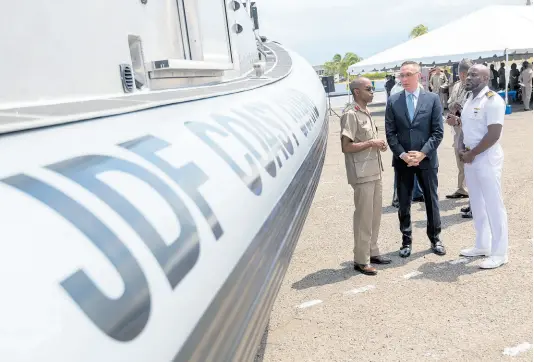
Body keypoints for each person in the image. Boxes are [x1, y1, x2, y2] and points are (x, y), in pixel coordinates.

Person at [385, 61, 446, 258]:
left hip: (426, 160)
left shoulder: (432, 99)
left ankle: (435, 238)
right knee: (404, 202)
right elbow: (390, 133)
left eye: (407, 75)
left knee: (431, 200)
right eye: (401, 75)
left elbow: (437, 132)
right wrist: (403, 154)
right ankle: (406, 240)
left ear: (418, 75)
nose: (403, 79)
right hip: (403, 161)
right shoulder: (393, 101)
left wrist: (422, 153)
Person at [458, 64, 508, 269]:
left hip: (486, 158)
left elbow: (494, 134)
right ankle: (482, 244)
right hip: (471, 157)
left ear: (486, 79)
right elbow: (466, 126)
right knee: (477, 203)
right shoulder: (469, 99)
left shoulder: (493, 101)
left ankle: (500, 252)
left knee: (493, 205)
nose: (468, 77)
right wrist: (462, 147)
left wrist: (472, 153)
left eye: (474, 74)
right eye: (468, 74)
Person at [340, 77, 391, 275]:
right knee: (363, 217)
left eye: (373, 88)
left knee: (375, 214)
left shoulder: (366, 112)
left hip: (374, 171)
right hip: (361, 174)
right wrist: (371, 143)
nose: (372, 91)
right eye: (368, 89)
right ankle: (361, 260)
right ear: (356, 92)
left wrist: (379, 144)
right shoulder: (350, 114)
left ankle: (372, 251)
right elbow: (346, 146)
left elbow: (369, 139)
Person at [445, 59, 472, 205]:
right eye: (463, 74)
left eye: (467, 73)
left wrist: (460, 109)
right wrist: (452, 106)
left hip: (468, 128)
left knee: (469, 159)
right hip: (456, 129)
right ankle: (462, 187)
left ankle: (471, 193)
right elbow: (449, 103)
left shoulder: (473, 88)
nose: (464, 77)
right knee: (459, 157)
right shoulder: (456, 86)